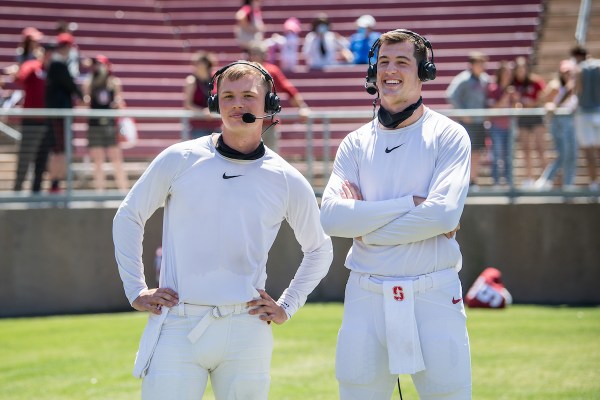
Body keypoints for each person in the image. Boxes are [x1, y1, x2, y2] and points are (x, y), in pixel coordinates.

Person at [113, 60, 333, 400]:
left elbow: (320, 248)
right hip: (177, 323)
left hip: (247, 329)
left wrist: (288, 304)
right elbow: (129, 215)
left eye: (248, 95)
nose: (237, 104)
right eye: (227, 96)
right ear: (215, 103)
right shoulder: (180, 158)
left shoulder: (286, 178)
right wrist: (135, 289)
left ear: (269, 105)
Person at [320, 29, 471, 399]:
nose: (390, 70)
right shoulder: (355, 143)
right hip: (365, 295)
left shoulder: (449, 135)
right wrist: (408, 205)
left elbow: (443, 216)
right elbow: (332, 219)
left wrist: (367, 228)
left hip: (434, 292)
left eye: (402, 62)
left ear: (425, 72)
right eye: (383, 62)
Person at [246, 41, 310, 151]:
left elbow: (288, 89)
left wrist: (302, 107)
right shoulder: (244, 71)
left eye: (258, 53)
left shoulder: (271, 70)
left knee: (271, 159)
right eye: (253, 53)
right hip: (248, 123)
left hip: (268, 123)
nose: (255, 56)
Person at [82, 55, 129, 192]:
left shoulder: (114, 82)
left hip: (110, 125)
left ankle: (123, 191)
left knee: (116, 160)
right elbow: (86, 103)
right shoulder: (89, 82)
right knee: (97, 162)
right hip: (95, 125)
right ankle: (99, 191)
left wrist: (118, 104)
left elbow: (120, 101)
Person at [13, 43, 55, 193]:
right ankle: (17, 190)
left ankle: (36, 191)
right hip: (31, 120)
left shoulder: (54, 71)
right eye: (47, 52)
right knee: (25, 156)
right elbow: (20, 77)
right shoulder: (33, 66)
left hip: (48, 121)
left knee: (42, 159)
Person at [45, 32, 83, 193]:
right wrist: (81, 96)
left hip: (60, 114)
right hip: (59, 115)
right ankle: (55, 184)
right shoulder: (58, 63)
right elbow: (70, 84)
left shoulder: (56, 62)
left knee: (61, 149)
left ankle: (57, 183)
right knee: (59, 150)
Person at [446, 51, 490, 190]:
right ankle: (462, 181)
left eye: (483, 63)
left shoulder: (485, 79)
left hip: (480, 122)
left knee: (477, 151)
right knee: (466, 151)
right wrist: (463, 114)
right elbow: (451, 95)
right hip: (467, 123)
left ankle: (473, 180)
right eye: (478, 63)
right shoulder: (463, 79)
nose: (481, 66)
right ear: (471, 65)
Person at [535, 59, 579, 191]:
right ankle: (547, 179)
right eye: (565, 72)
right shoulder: (555, 85)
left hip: (571, 122)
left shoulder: (575, 85)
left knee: (571, 154)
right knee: (564, 154)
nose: (567, 74)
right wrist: (551, 105)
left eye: (570, 72)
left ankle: (567, 184)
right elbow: (542, 99)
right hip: (559, 123)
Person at [512, 56, 547, 188]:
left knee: (540, 147)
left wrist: (533, 103)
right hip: (522, 118)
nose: (521, 72)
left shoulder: (535, 81)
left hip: (536, 116)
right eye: (518, 69)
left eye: (523, 69)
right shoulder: (513, 84)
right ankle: (529, 178)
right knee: (526, 149)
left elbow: (544, 95)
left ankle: (546, 177)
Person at [571, 45, 600, 191]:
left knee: (589, 152)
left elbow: (577, 89)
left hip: (585, 114)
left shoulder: (578, 69)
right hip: (599, 112)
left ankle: (594, 183)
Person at [486, 60, 517, 188]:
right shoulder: (494, 88)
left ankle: (509, 182)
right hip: (496, 127)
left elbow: (515, 107)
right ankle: (496, 182)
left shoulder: (512, 90)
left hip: (509, 126)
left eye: (510, 73)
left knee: (509, 155)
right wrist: (506, 96)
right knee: (497, 155)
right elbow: (494, 108)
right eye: (506, 73)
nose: (508, 76)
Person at [182, 50, 221, 139]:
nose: (196, 67)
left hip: (216, 123)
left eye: (198, 64)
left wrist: (212, 110)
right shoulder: (191, 81)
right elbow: (187, 105)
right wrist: (203, 112)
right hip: (198, 125)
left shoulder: (216, 80)